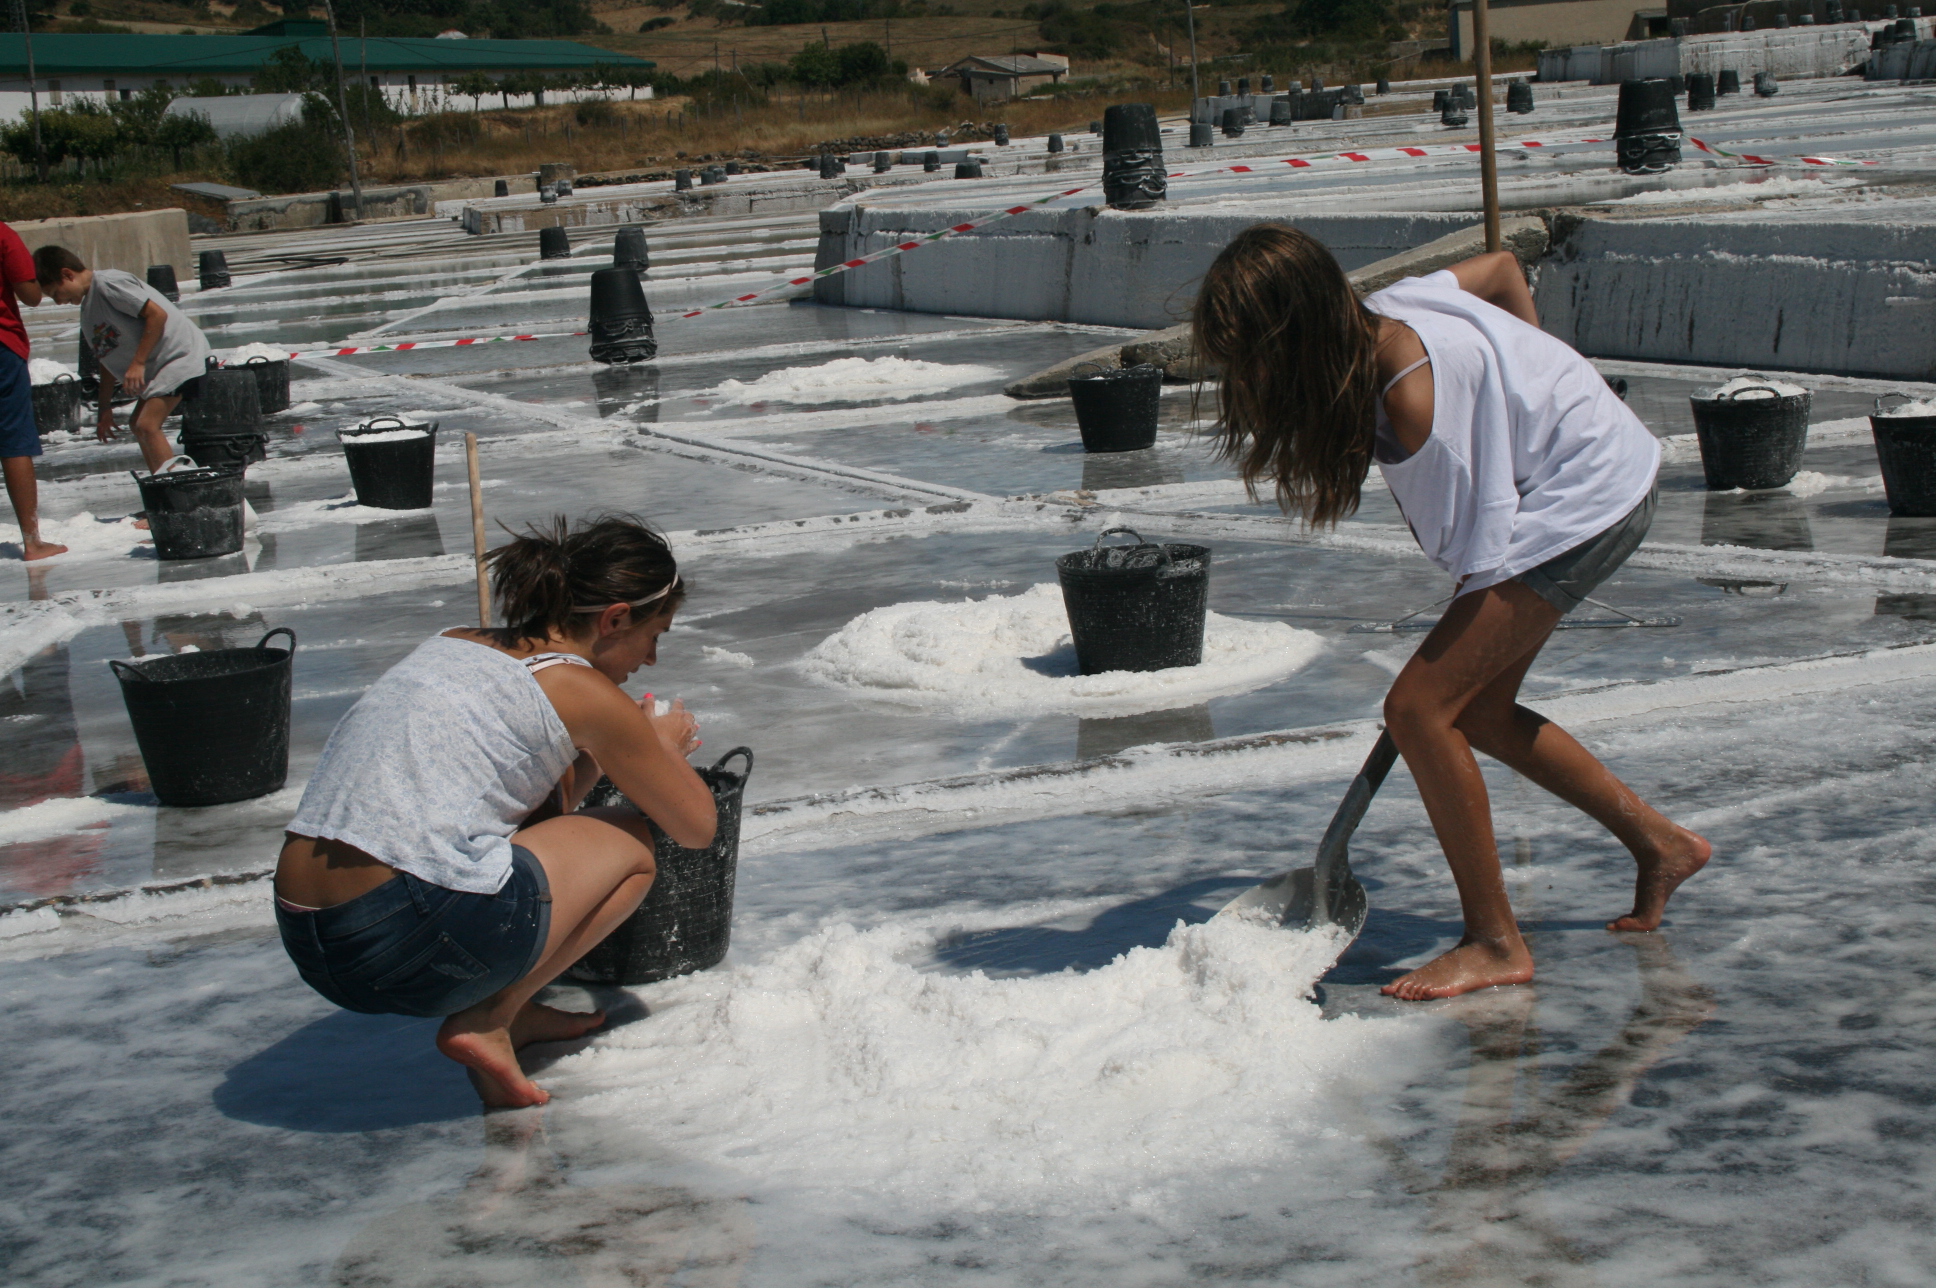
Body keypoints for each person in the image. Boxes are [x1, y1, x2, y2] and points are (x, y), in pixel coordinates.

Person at [1192, 224, 1710, 1001]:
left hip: (1590, 498)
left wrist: (1526, 419)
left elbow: (1482, 547)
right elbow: (1502, 270)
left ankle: (1495, 942)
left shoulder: (1414, 404)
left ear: (1297, 335)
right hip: (1578, 470)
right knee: (1479, 712)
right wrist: (1533, 385)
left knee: (1421, 707)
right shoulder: (1390, 307)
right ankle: (1661, 843)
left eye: (1253, 359)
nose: (1249, 380)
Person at [275, 515, 718, 1107]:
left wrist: (617, 750)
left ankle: (517, 1011)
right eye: (654, 635)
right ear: (615, 619)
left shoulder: (455, 640)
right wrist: (659, 748)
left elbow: (537, 803)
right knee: (632, 842)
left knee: (522, 841)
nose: (653, 659)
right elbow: (695, 827)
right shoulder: (583, 690)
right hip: (408, 933)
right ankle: (489, 1017)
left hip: (311, 938)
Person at [32, 245, 212, 475]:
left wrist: (138, 363)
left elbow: (157, 315)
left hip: (180, 355)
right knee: (137, 426)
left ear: (67, 274)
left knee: (147, 425)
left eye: (56, 293)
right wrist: (104, 407)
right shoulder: (89, 310)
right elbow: (107, 356)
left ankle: (177, 490)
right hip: (162, 364)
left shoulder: (109, 283)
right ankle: (163, 486)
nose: (58, 302)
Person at [0, 221, 64, 560]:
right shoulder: (3, 236)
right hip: (1, 346)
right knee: (13, 442)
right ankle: (32, 541)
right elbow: (31, 296)